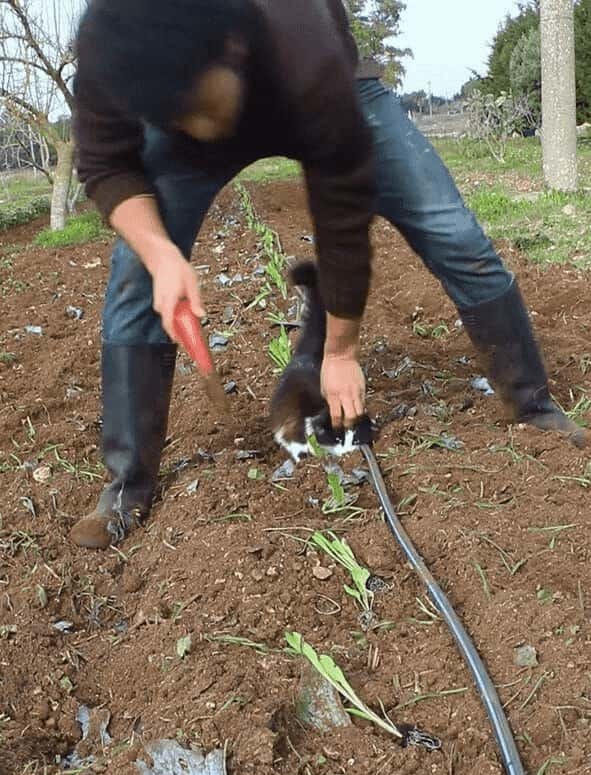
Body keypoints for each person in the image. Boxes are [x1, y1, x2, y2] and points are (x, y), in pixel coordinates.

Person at [71, 0, 583, 550]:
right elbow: (106, 167)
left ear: (231, 49)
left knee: (453, 233)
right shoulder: (113, 48)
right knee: (134, 277)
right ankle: (128, 484)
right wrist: (161, 254)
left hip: (323, 90)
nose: (195, 126)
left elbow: (342, 216)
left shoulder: (301, 40)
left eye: (195, 103)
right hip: (188, 97)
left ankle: (532, 405)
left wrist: (340, 352)